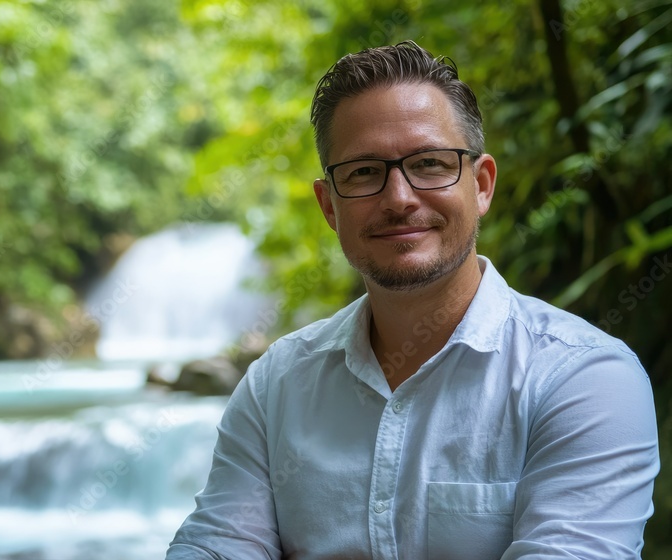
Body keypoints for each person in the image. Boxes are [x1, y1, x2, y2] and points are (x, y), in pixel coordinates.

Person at [166, 41, 660, 560]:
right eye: (363, 172)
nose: (399, 198)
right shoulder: (276, 385)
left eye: (428, 163)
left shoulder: (583, 379)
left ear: (482, 184)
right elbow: (216, 546)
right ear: (329, 206)